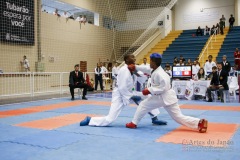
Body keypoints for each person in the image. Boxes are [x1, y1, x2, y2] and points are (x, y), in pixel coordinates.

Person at [125, 53, 208, 133]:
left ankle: (133, 123)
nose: (149, 63)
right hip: (167, 98)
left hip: (162, 96)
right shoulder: (155, 69)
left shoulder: (161, 74)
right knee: (178, 117)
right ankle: (199, 123)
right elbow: (146, 68)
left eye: (150, 61)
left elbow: (163, 88)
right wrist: (136, 67)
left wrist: (149, 90)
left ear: (154, 62)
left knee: (143, 105)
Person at [79, 54, 167, 127]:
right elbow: (122, 87)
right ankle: (90, 120)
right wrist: (131, 96)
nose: (134, 58)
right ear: (126, 60)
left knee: (146, 98)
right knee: (110, 119)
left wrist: (147, 74)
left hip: (130, 92)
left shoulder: (134, 68)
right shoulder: (123, 70)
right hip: (120, 94)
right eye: (132, 57)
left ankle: (154, 118)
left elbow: (142, 75)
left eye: (134, 57)